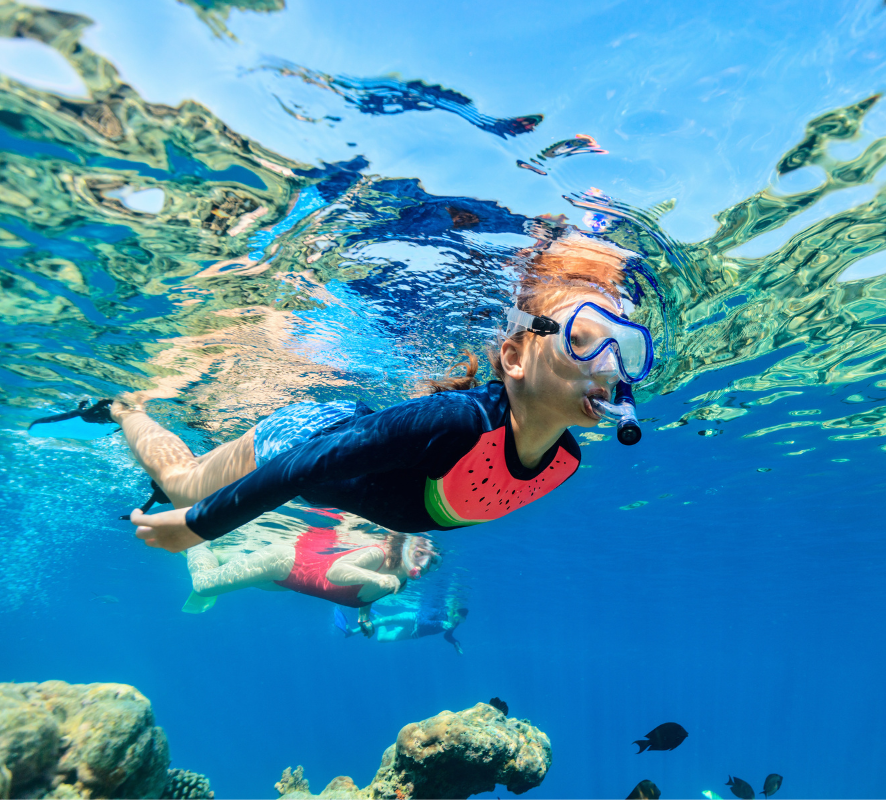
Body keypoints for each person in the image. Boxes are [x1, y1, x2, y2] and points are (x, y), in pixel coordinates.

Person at [111, 226, 654, 552]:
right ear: (514, 356)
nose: (609, 367)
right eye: (583, 339)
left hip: (344, 457)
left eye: (623, 350)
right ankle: (126, 408)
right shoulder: (456, 421)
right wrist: (200, 527)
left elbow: (418, 490)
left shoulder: (565, 461)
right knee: (184, 485)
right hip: (300, 439)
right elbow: (307, 465)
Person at [182, 512, 438, 614]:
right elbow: (336, 573)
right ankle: (197, 543)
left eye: (433, 561)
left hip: (288, 583)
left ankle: (221, 554)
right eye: (421, 555)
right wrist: (378, 578)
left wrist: (364, 618)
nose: (426, 564)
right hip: (283, 562)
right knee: (204, 585)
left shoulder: (400, 582)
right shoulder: (378, 555)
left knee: (237, 567)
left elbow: (371, 595)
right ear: (405, 547)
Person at [335, 595, 468, 655]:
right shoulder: (440, 610)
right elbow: (423, 621)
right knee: (389, 620)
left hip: (415, 633)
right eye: (456, 618)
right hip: (414, 619)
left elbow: (447, 636)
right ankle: (352, 631)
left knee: (382, 638)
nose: (456, 622)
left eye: (460, 621)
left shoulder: (453, 623)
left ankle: (380, 617)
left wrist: (455, 643)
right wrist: (439, 622)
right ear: (452, 611)